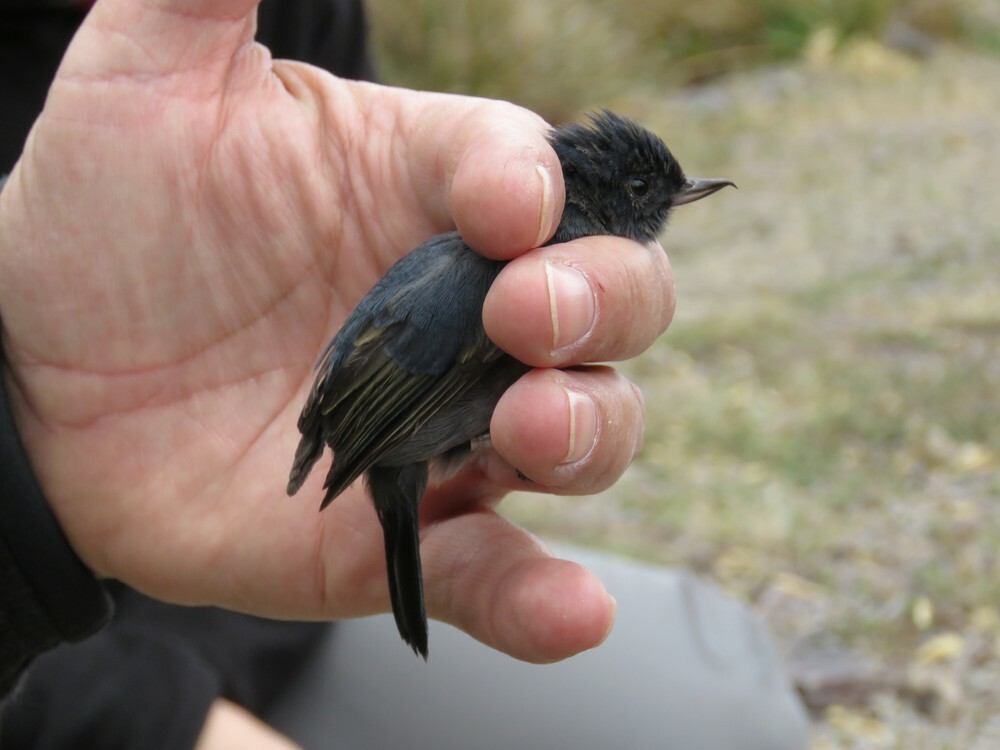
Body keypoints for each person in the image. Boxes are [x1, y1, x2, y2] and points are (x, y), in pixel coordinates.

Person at [0, 1, 809, 747]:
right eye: (645, 192)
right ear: (606, 195)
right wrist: (156, 716)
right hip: (84, 671)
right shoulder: (504, 264)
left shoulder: (310, 24)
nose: (675, 201)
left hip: (278, 590)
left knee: (727, 706)